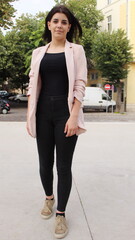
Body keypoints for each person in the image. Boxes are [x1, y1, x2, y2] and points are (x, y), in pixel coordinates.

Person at [26, 4, 87, 239]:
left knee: (63, 167)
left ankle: (61, 214)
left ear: (69, 26)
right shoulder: (38, 53)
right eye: (55, 21)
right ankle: (49, 198)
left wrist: (73, 115)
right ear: (48, 24)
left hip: (65, 113)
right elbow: (33, 84)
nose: (59, 25)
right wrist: (29, 115)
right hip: (42, 113)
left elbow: (80, 84)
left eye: (64, 22)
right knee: (44, 164)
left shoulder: (76, 50)